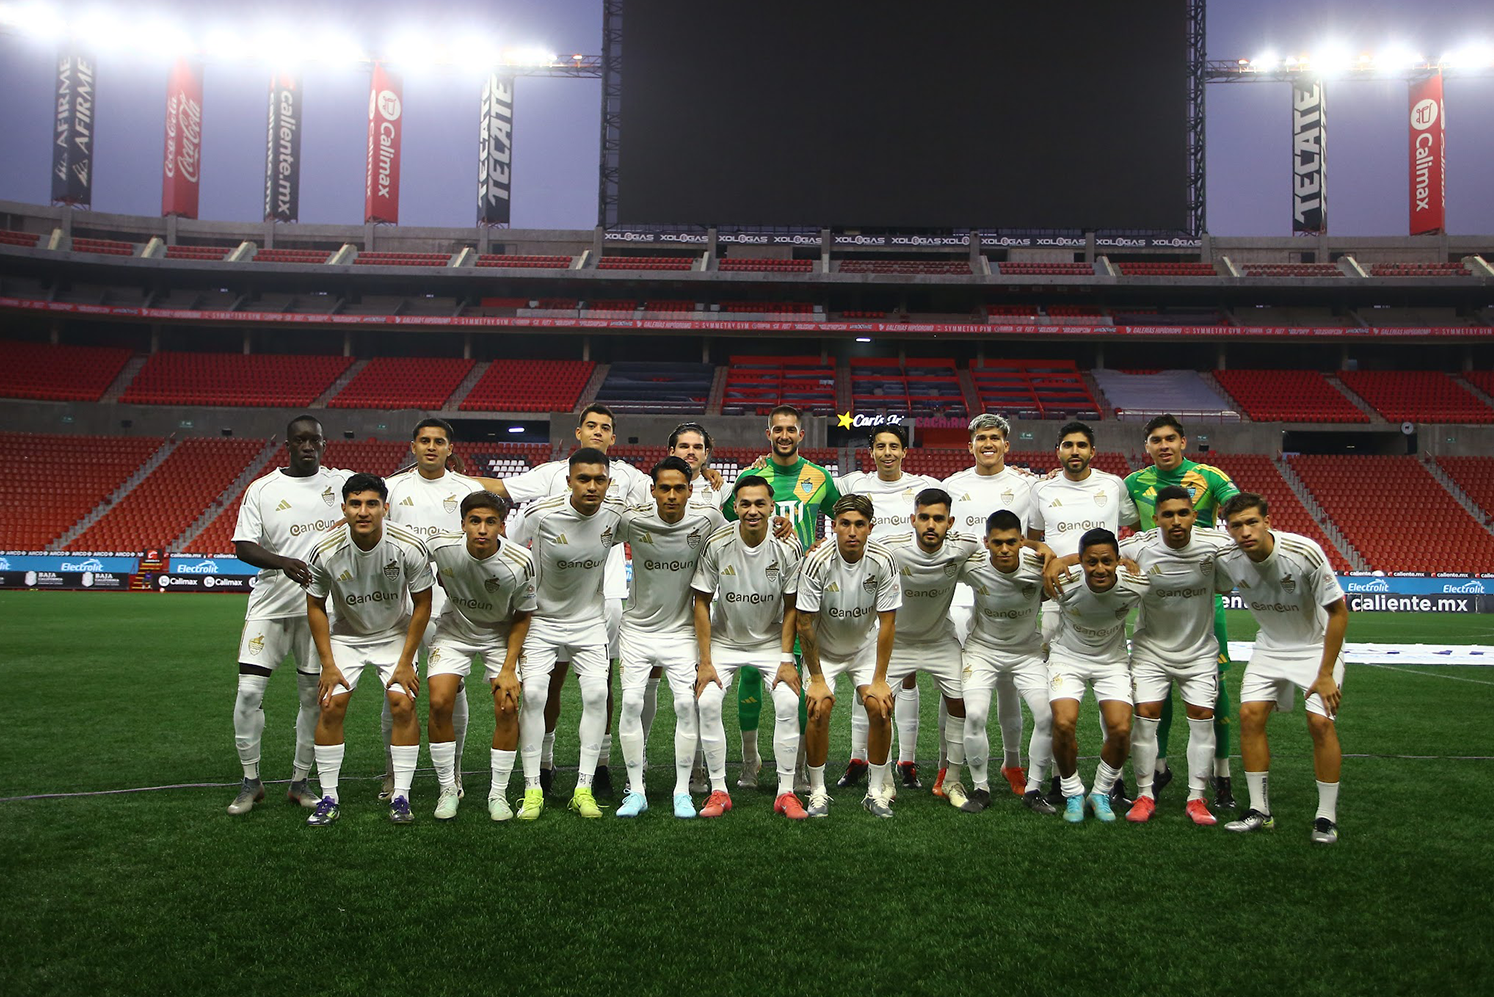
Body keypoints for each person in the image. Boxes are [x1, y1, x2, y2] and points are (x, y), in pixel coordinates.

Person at [488, 404, 651, 797]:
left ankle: (600, 768)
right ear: (578, 433)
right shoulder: (548, 479)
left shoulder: (628, 479)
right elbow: (505, 517)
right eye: (591, 426)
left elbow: (664, 507)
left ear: (614, 436)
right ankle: (541, 767)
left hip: (605, 597)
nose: (598, 432)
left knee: (602, 688)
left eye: (605, 427)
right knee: (547, 686)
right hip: (549, 603)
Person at [227, 415, 351, 815]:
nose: (308, 446)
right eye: (300, 440)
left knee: (313, 700)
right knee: (248, 692)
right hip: (270, 607)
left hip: (321, 610)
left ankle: (300, 781)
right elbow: (243, 545)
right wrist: (281, 562)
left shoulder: (340, 483)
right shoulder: (263, 489)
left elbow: (384, 493)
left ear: (324, 444)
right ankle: (250, 781)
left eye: (315, 440)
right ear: (288, 445)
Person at [382, 417, 506, 803]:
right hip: (400, 604)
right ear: (413, 446)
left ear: (450, 449)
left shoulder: (468, 489)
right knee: (396, 690)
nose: (431, 447)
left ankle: (451, 771)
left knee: (451, 690)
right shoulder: (392, 487)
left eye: (439, 441)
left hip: (452, 606)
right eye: (424, 441)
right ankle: (392, 773)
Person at [1123, 414, 1241, 808]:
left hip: (1203, 593)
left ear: (1184, 442)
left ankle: (1221, 774)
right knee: (1154, 692)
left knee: (1213, 688)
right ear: (1147, 447)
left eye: (1171, 438)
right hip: (1152, 588)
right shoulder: (1134, 483)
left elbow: (1239, 509)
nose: (1164, 445)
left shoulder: (1210, 476)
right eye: (1156, 440)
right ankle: (1157, 769)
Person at [1215, 494, 1348, 844]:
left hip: (1315, 648)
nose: (1244, 531)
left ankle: (1326, 817)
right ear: (1227, 529)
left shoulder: (1304, 552)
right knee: (1249, 717)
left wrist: (1325, 673)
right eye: (1236, 525)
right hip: (1270, 646)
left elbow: (1339, 613)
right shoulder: (1226, 558)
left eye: (1251, 522)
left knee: (1320, 723)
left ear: (1268, 522)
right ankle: (1260, 810)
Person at [304, 474, 433, 826]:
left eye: (372, 504)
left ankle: (401, 796)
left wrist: (407, 661)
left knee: (402, 702)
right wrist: (328, 664)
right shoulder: (325, 549)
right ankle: (328, 796)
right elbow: (314, 605)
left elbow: (423, 603)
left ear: (385, 508)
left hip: (394, 634)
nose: (364, 511)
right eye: (356, 504)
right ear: (344, 508)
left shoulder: (408, 546)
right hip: (346, 635)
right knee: (331, 704)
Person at [723, 404, 840, 791]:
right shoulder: (753, 476)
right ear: (768, 434)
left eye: (791, 429)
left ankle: (802, 765)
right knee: (753, 674)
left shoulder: (818, 476)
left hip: (804, 588)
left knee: (801, 675)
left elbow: (841, 517)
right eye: (778, 429)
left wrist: (825, 540)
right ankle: (750, 760)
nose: (785, 435)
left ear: (800, 435)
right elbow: (728, 514)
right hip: (757, 587)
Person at [509, 448, 627, 819]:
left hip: (589, 620)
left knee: (596, 693)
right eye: (584, 479)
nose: (592, 487)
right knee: (533, 694)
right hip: (541, 620)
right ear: (569, 481)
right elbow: (508, 550)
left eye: (599, 480)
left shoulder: (618, 513)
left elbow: (664, 519)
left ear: (609, 482)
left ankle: (583, 788)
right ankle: (531, 789)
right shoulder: (540, 514)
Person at [1030, 420, 1139, 805]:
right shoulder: (1041, 489)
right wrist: (1049, 557)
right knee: (1059, 703)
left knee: (1113, 705)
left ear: (1093, 451)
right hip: (1057, 602)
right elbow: (1035, 536)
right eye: (1066, 446)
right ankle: (1062, 781)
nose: (1074, 451)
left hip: (1105, 599)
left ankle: (1115, 783)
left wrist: (1125, 559)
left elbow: (1135, 526)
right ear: (1057, 451)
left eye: (1081, 446)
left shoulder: (1113, 485)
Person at [614, 456, 725, 819]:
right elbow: (590, 528)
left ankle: (681, 792)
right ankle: (636, 791)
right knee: (631, 704)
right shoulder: (632, 520)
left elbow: (738, 534)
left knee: (685, 705)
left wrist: (781, 528)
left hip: (681, 631)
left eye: (680, 488)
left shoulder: (706, 519)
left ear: (691, 490)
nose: (672, 495)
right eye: (665, 488)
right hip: (637, 629)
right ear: (653, 490)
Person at [833, 424, 940, 791]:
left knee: (904, 676)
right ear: (872, 451)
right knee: (866, 675)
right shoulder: (851, 484)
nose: (888, 453)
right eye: (880, 447)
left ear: (905, 451)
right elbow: (817, 495)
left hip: (908, 590)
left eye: (894, 446)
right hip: (862, 591)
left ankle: (906, 761)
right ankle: (857, 758)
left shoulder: (923, 484)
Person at [692, 475, 806, 819]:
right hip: (726, 640)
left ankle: (786, 792)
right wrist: (706, 661)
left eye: (760, 504)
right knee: (708, 701)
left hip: (771, 642)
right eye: (745, 503)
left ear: (772, 507)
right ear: (736, 506)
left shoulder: (788, 546)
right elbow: (700, 601)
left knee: (788, 700)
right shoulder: (717, 543)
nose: (753, 510)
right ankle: (718, 790)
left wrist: (787, 659)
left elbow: (792, 607)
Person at [937, 413, 1035, 798]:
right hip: (963, 595)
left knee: (1010, 685)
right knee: (957, 689)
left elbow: (1036, 536)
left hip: (1010, 597)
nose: (988, 444)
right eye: (981, 438)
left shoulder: (1028, 486)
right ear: (971, 445)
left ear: (1006, 445)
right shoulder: (952, 485)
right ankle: (947, 766)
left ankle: (1013, 763)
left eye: (995, 438)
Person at [423, 491, 535, 821]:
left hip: (500, 633)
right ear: (463, 524)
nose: (482, 529)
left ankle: (497, 794)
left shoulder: (519, 562)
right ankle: (448, 789)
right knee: (440, 701)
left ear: (502, 526)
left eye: (490, 522)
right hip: (454, 630)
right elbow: (403, 546)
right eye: (474, 521)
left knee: (508, 705)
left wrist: (508, 667)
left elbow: (523, 615)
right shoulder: (442, 548)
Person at [875, 488, 982, 810]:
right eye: (924, 518)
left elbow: (989, 546)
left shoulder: (963, 546)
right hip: (899, 642)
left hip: (939, 640)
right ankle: (884, 782)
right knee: (879, 707)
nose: (931, 525)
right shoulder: (892, 549)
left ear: (950, 522)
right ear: (913, 520)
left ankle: (952, 779)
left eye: (938, 519)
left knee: (961, 704)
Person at [797, 495, 902, 817]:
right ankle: (817, 791)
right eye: (845, 524)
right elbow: (804, 623)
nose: (852, 531)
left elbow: (888, 623)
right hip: (824, 652)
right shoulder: (818, 561)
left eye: (859, 524)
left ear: (870, 527)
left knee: (880, 708)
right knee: (818, 709)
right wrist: (816, 678)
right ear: (834, 526)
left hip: (864, 650)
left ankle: (876, 791)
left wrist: (881, 679)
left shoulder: (884, 560)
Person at [1047, 528, 1148, 824]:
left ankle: (1101, 792)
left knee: (1119, 729)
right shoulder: (1063, 583)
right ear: (1080, 561)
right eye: (1091, 562)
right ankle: (1073, 792)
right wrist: (1055, 560)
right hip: (1067, 658)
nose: (1099, 569)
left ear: (1118, 560)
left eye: (1107, 561)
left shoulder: (1136, 585)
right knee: (1063, 724)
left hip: (1112, 662)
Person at [958, 511, 1055, 815]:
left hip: (1026, 653)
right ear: (985, 542)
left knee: (1047, 717)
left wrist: (1045, 550)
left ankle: (1035, 789)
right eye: (996, 543)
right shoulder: (973, 565)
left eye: (1011, 542)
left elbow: (1077, 565)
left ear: (1021, 541)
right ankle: (980, 788)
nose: (1003, 549)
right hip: (982, 650)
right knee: (973, 715)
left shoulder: (1039, 567)